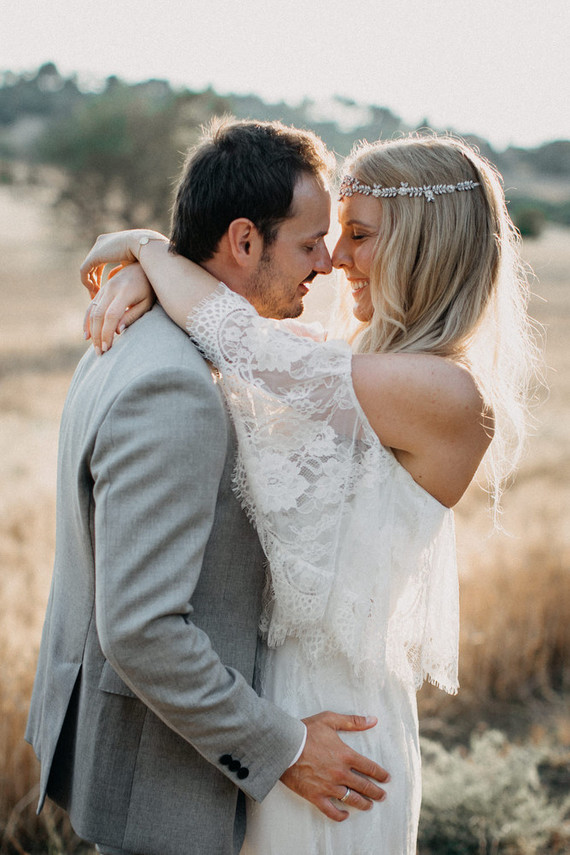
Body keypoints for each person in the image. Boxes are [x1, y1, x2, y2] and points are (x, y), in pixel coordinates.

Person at [80, 133, 538, 855]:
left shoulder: (448, 394)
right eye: (332, 236)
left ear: (426, 246)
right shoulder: (354, 360)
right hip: (272, 718)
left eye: (357, 235)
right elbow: (225, 329)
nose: (336, 260)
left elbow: (239, 339)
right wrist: (153, 276)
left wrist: (147, 250)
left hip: (340, 735)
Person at [25, 121, 394, 855]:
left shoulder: (137, 329)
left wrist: (145, 259)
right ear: (244, 241)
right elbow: (140, 627)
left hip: (153, 760)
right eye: (308, 241)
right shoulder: (175, 385)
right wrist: (284, 745)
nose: (325, 263)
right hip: (162, 781)